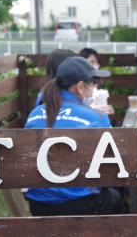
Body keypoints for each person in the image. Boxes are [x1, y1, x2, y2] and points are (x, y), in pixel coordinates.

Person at [24, 57, 126, 216]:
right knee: (115, 198)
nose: (94, 89)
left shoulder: (34, 114)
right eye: (93, 84)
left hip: (38, 205)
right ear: (80, 87)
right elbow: (113, 163)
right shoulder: (96, 117)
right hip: (81, 205)